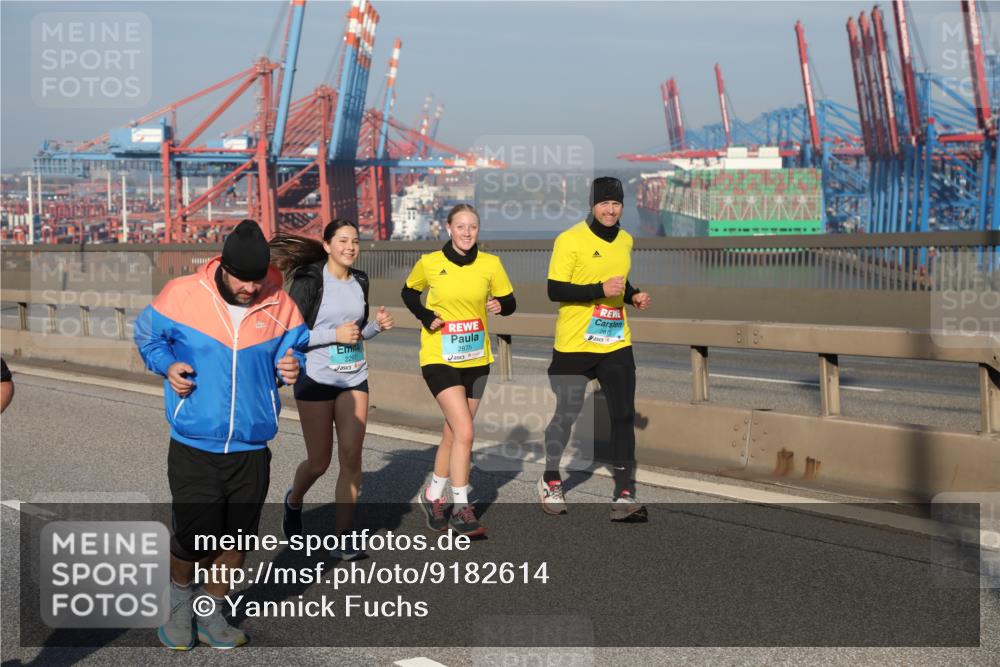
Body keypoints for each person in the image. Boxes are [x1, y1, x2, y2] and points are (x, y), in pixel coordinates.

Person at [134, 219, 308, 650]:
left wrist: (292, 366)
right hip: (195, 443)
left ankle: (211, 612)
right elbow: (149, 337)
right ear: (223, 268)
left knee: (237, 539)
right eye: (242, 279)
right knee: (194, 538)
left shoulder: (281, 304)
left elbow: (295, 352)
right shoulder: (181, 294)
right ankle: (179, 603)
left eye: (257, 279)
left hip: (252, 445)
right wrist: (168, 365)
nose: (250, 288)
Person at [269, 220, 394, 558]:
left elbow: (355, 333)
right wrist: (332, 335)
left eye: (355, 241)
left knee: (352, 456)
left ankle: (343, 536)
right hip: (316, 378)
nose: (350, 247)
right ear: (326, 245)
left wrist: (375, 328)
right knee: (319, 462)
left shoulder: (360, 281)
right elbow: (291, 335)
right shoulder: (310, 280)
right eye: (343, 241)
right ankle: (294, 500)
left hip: (354, 377)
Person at [540, 177, 651, 522]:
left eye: (616, 204)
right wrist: (598, 289)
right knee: (567, 414)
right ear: (592, 205)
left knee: (624, 415)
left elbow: (619, 280)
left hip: (615, 340)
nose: (610, 210)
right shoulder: (570, 239)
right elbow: (555, 289)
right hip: (575, 344)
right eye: (604, 203)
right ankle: (551, 478)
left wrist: (632, 295)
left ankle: (623, 494)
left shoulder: (626, 240)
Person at [401, 204, 516, 537]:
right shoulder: (430, 263)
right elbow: (409, 292)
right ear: (448, 228)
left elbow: (510, 302)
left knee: (453, 433)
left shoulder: (490, 264)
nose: (467, 233)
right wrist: (425, 316)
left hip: (477, 359)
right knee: (465, 431)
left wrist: (500, 305)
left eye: (473, 227)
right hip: (439, 357)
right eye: (461, 226)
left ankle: (433, 494)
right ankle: (462, 508)